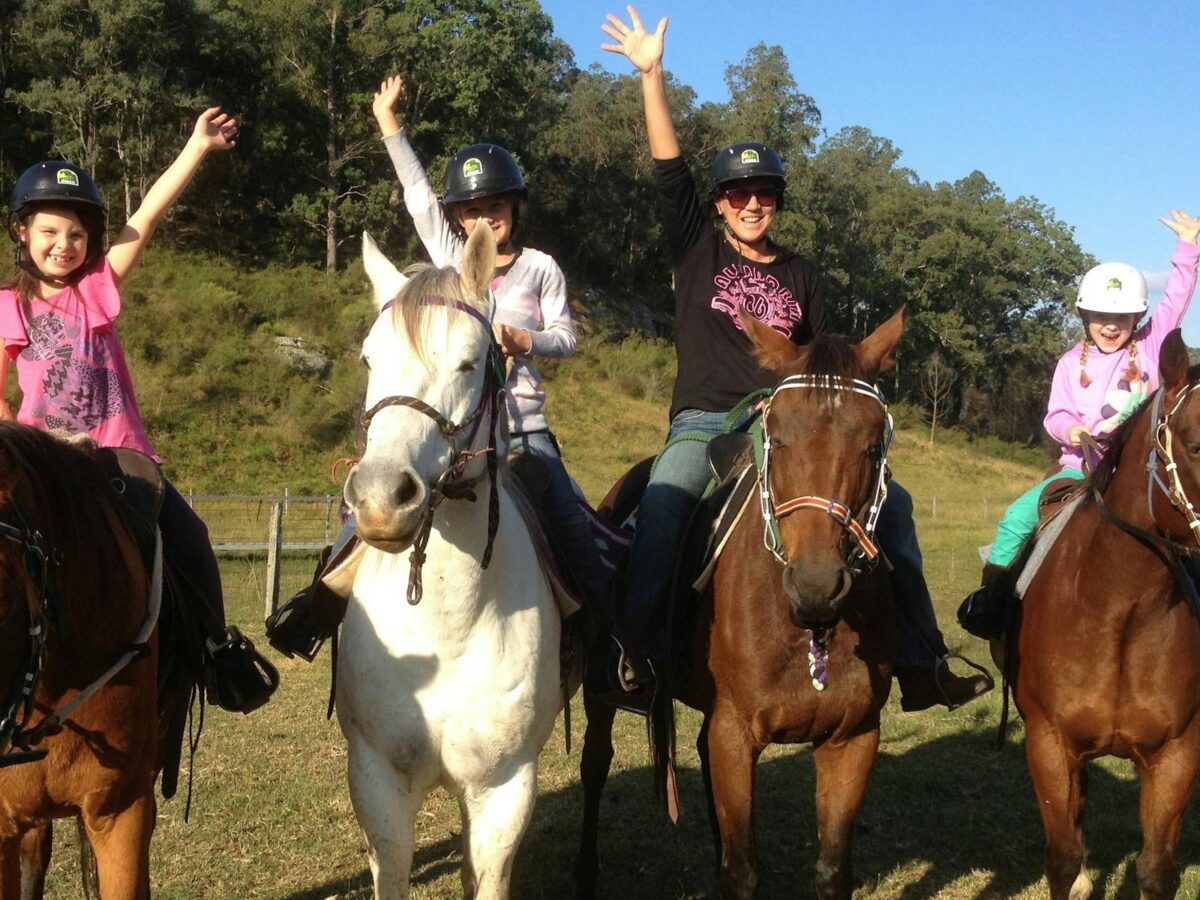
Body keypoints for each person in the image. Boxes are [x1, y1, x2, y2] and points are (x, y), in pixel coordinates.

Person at [599, 6, 992, 713]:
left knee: (897, 508)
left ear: (776, 202)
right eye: (739, 194)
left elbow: (819, 369)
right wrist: (652, 76)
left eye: (764, 194)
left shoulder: (803, 274)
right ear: (721, 205)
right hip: (705, 421)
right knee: (664, 503)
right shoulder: (697, 250)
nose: (752, 204)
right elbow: (668, 173)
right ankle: (641, 655)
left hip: (783, 421)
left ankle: (920, 658)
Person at [265, 76, 608, 661]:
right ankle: (315, 610)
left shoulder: (541, 267)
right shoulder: (450, 260)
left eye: (495, 207)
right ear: (459, 218)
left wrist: (527, 339)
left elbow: (568, 337)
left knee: (572, 526)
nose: (484, 219)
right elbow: (420, 197)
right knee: (359, 519)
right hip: (449, 427)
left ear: (514, 208)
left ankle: (606, 642)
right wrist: (388, 123)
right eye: (472, 210)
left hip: (521, 428)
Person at [0, 110, 278, 714]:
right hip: (45, 465)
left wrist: (197, 147)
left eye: (77, 234)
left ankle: (216, 651)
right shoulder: (8, 307)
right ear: (22, 231)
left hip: (118, 455)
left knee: (191, 535)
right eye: (49, 231)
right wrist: (23, 451)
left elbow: (145, 216)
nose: (64, 245)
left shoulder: (94, 288)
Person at [962, 211, 1200, 628]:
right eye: (1101, 316)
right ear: (1084, 316)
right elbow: (1056, 413)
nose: (1111, 325)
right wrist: (1071, 429)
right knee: (1017, 517)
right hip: (1079, 469)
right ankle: (992, 599)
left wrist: (1188, 246)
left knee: (1188, 534)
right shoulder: (1070, 363)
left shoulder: (1150, 346)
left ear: (1137, 319)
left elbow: (1176, 298)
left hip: (1140, 472)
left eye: (1122, 317)